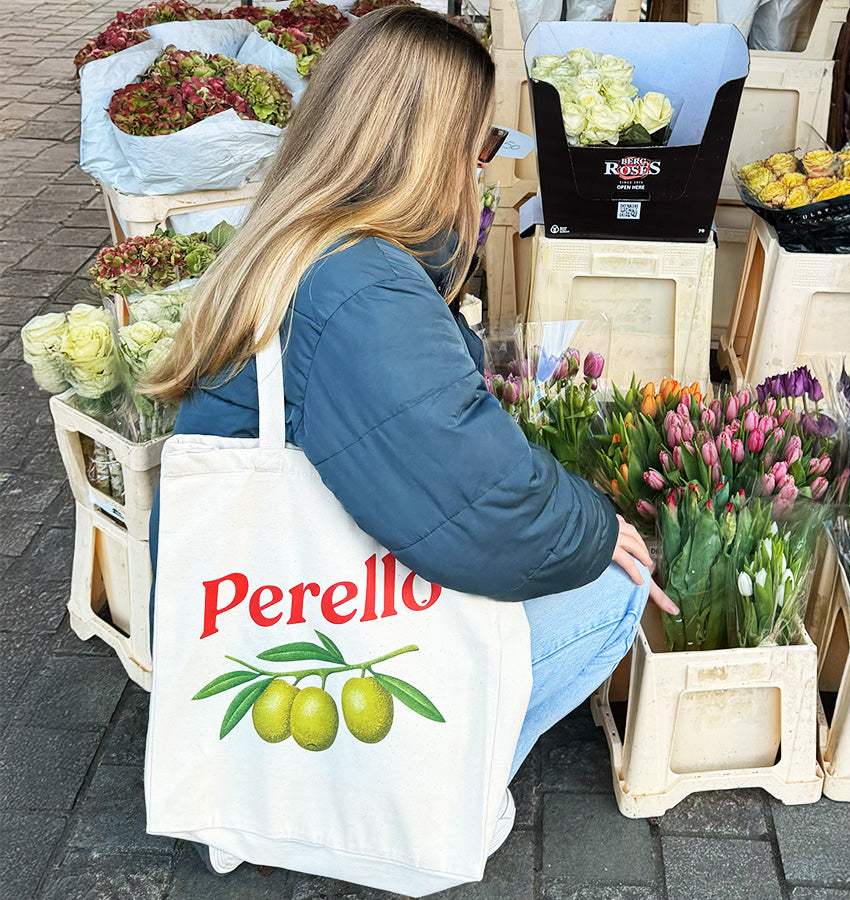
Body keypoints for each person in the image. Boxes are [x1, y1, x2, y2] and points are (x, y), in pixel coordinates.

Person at [145, 4, 676, 877]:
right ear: (433, 151)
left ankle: (312, 783)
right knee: (614, 586)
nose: (486, 172)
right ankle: (412, 803)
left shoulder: (299, 237)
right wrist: (598, 526)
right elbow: (479, 509)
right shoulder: (362, 288)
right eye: (478, 147)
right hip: (317, 616)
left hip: (253, 603)